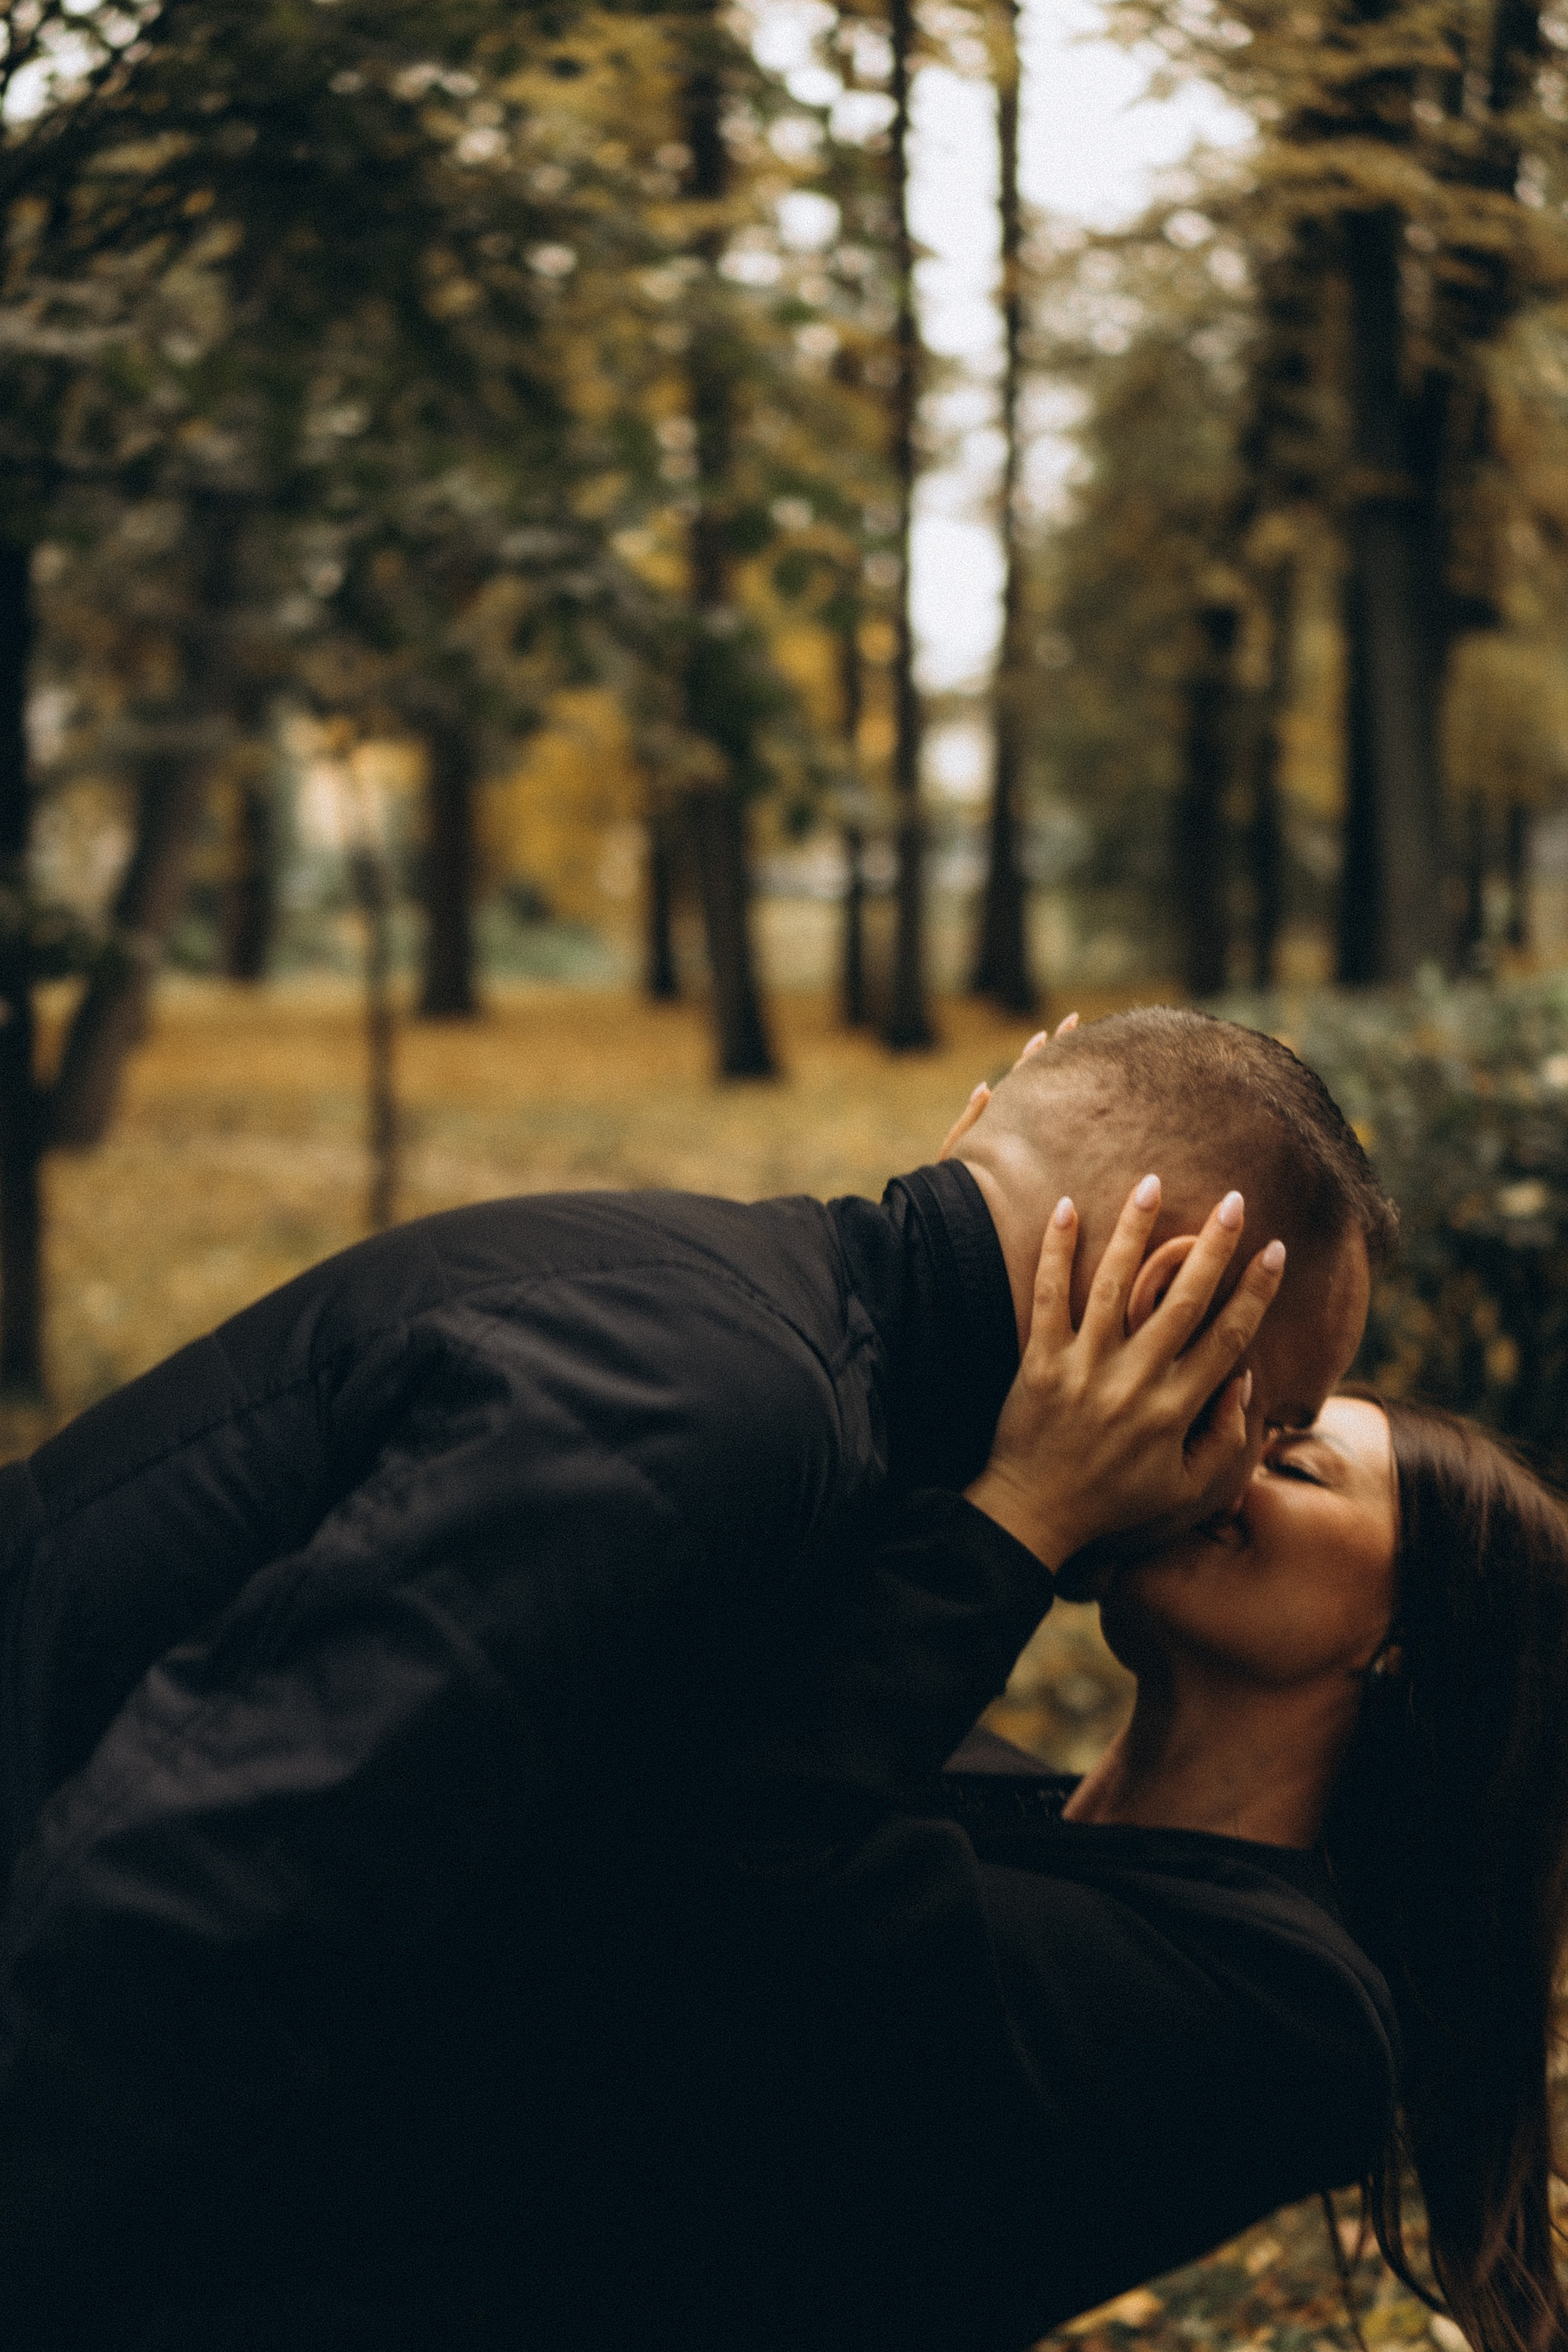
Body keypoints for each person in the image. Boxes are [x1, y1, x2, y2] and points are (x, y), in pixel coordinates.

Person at [0, 1009, 1392, 2341]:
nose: (1232, 1478)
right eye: (1262, 1418)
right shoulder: (707, 1417)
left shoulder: (761, 1345)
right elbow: (187, 1906)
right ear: (1162, 1316)